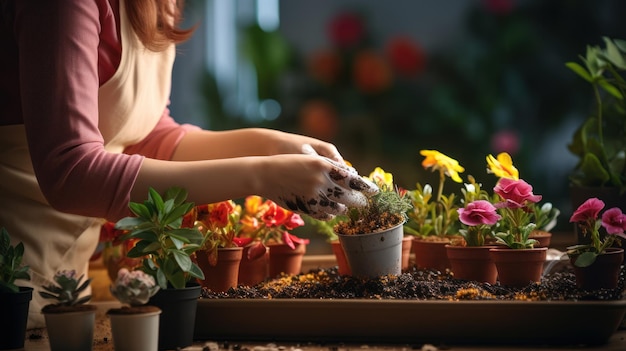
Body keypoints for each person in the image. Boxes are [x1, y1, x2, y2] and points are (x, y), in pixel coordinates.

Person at [0, 0, 378, 328]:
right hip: (11, 276)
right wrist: (263, 174)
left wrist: (272, 144)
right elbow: (70, 173)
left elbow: (146, 135)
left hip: (63, 292)